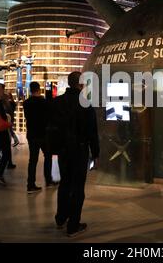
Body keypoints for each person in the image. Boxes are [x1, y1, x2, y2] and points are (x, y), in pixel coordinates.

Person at [48, 72, 99, 237]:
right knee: (77, 187)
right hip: (79, 150)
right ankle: (73, 225)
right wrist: (95, 153)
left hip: (63, 150)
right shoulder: (85, 105)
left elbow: (50, 126)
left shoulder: (57, 103)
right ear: (82, 84)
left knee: (65, 183)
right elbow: (92, 132)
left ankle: (61, 218)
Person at [23, 82, 58, 193]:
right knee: (48, 156)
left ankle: (31, 185)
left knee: (33, 160)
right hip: (43, 134)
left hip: (32, 134)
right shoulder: (44, 102)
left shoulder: (26, 103)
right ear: (39, 89)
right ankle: (48, 180)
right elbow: (50, 116)